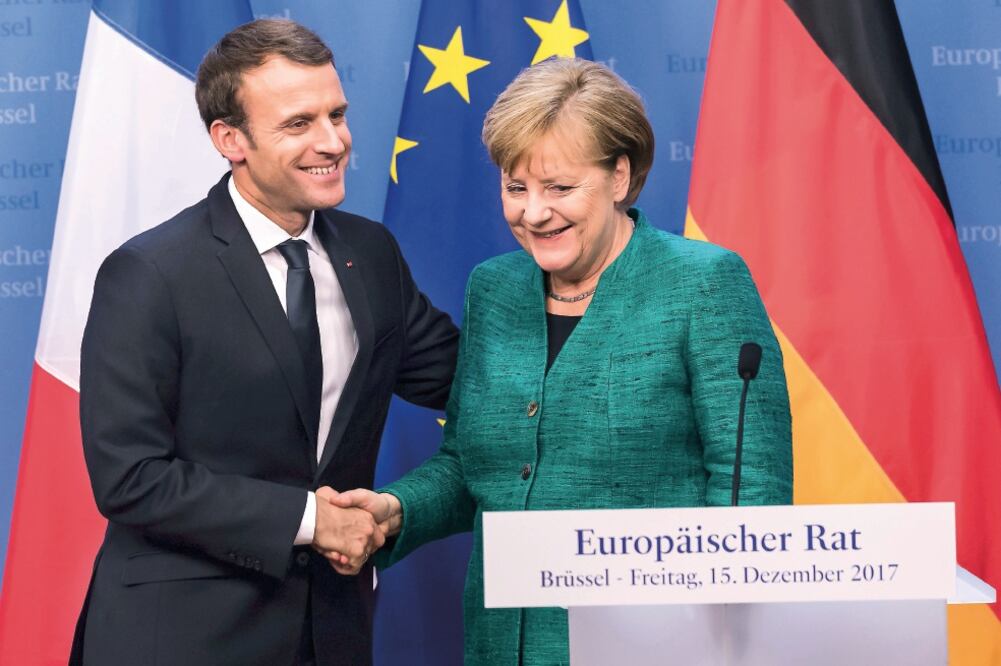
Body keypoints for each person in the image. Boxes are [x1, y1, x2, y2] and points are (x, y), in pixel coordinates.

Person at [331, 58, 793, 665]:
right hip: (500, 646)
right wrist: (395, 510)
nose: (533, 213)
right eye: (515, 187)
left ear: (620, 176)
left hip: (657, 648)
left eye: (559, 187)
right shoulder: (492, 288)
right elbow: (474, 467)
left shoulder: (704, 283)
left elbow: (752, 495)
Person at [69, 19, 458, 666]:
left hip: (331, 634)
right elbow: (131, 478)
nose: (333, 141)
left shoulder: (371, 253)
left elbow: (471, 378)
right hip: (180, 637)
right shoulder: (151, 274)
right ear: (230, 140)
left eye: (337, 114)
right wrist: (310, 519)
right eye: (298, 123)